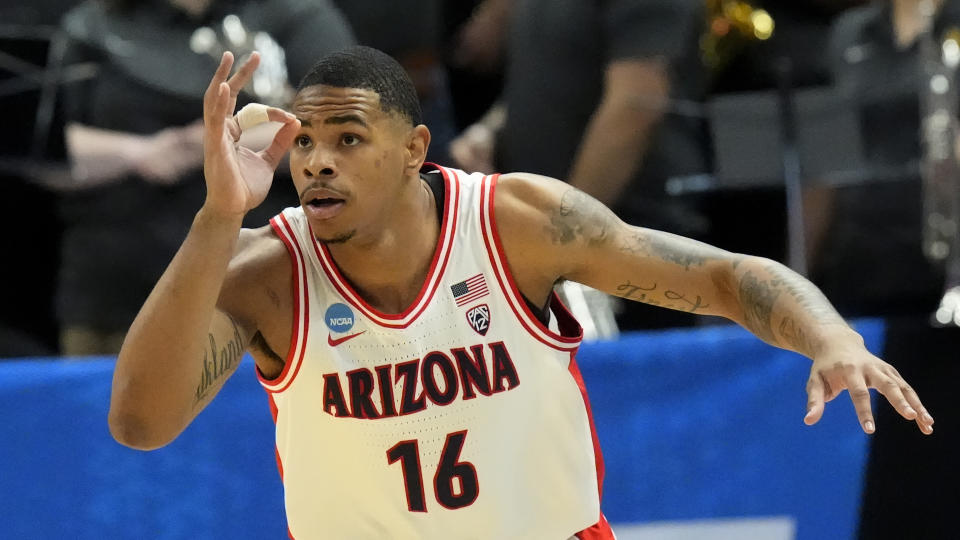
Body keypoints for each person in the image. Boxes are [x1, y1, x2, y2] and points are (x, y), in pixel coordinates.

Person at [109, 46, 933, 538]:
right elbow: (141, 425)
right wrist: (218, 217)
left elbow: (720, 275)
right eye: (308, 144)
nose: (317, 161)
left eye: (349, 139)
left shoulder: (517, 223)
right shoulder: (267, 270)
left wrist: (828, 335)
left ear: (413, 148)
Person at [56, 0, 354, 355]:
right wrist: (140, 153)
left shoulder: (297, 16)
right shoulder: (92, 25)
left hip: (272, 290)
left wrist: (198, 144)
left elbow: (346, 126)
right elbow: (41, 148)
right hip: (118, 293)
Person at [450, 0, 712, 330]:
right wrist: (489, 130)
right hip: (547, 247)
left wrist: (560, 234)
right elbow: (550, 79)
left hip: (629, 243)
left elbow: (635, 106)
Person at [821, 1, 959, 537]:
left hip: (943, 270)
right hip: (865, 265)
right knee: (883, 459)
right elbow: (826, 157)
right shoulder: (850, 31)